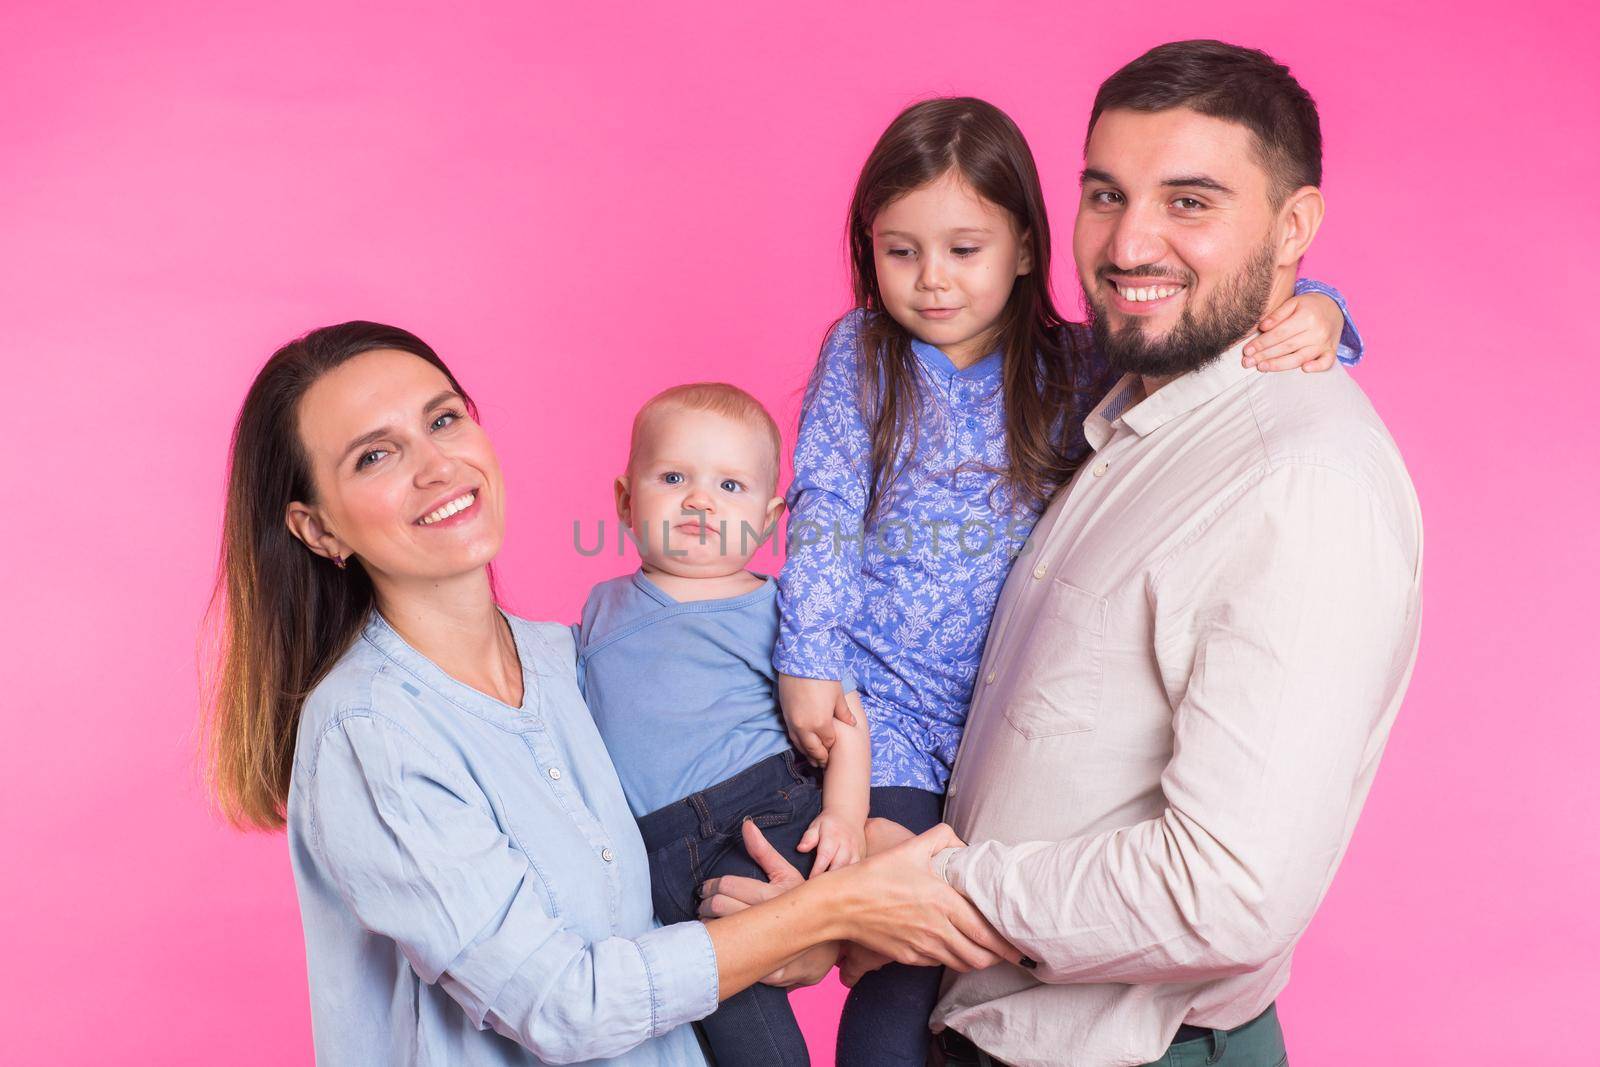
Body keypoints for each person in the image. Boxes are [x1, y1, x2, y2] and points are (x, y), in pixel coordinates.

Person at [200, 321, 1020, 1066]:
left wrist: (794, 919)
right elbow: (562, 1004)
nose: (436, 464)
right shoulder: (370, 731)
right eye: (375, 455)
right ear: (318, 529)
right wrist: (826, 913)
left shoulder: (571, 663)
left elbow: (688, 923)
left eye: (444, 419)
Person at [772, 95, 1365, 1066]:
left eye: (963, 250)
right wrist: (808, 661)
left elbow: (1196, 334)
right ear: (866, 250)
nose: (930, 282)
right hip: (886, 711)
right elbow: (826, 510)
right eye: (899, 251)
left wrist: (1325, 308)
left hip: (1006, 719)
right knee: (896, 961)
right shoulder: (862, 353)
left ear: (1020, 249)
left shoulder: (1068, 360)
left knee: (974, 952)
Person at [913, 41, 1422, 1066]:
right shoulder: (1128, 409)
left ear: (1293, 229)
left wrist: (925, 891)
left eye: (1189, 202)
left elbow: (1227, 889)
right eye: (1105, 194)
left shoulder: (1298, 483)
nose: (1128, 242)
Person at [573, 383, 869, 1065]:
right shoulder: (600, 606)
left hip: (758, 813)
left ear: (766, 520)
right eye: (673, 477)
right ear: (625, 500)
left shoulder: (779, 607)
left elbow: (846, 718)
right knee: (673, 1026)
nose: (699, 499)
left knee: (738, 991)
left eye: (729, 485)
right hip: (651, 845)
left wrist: (847, 817)